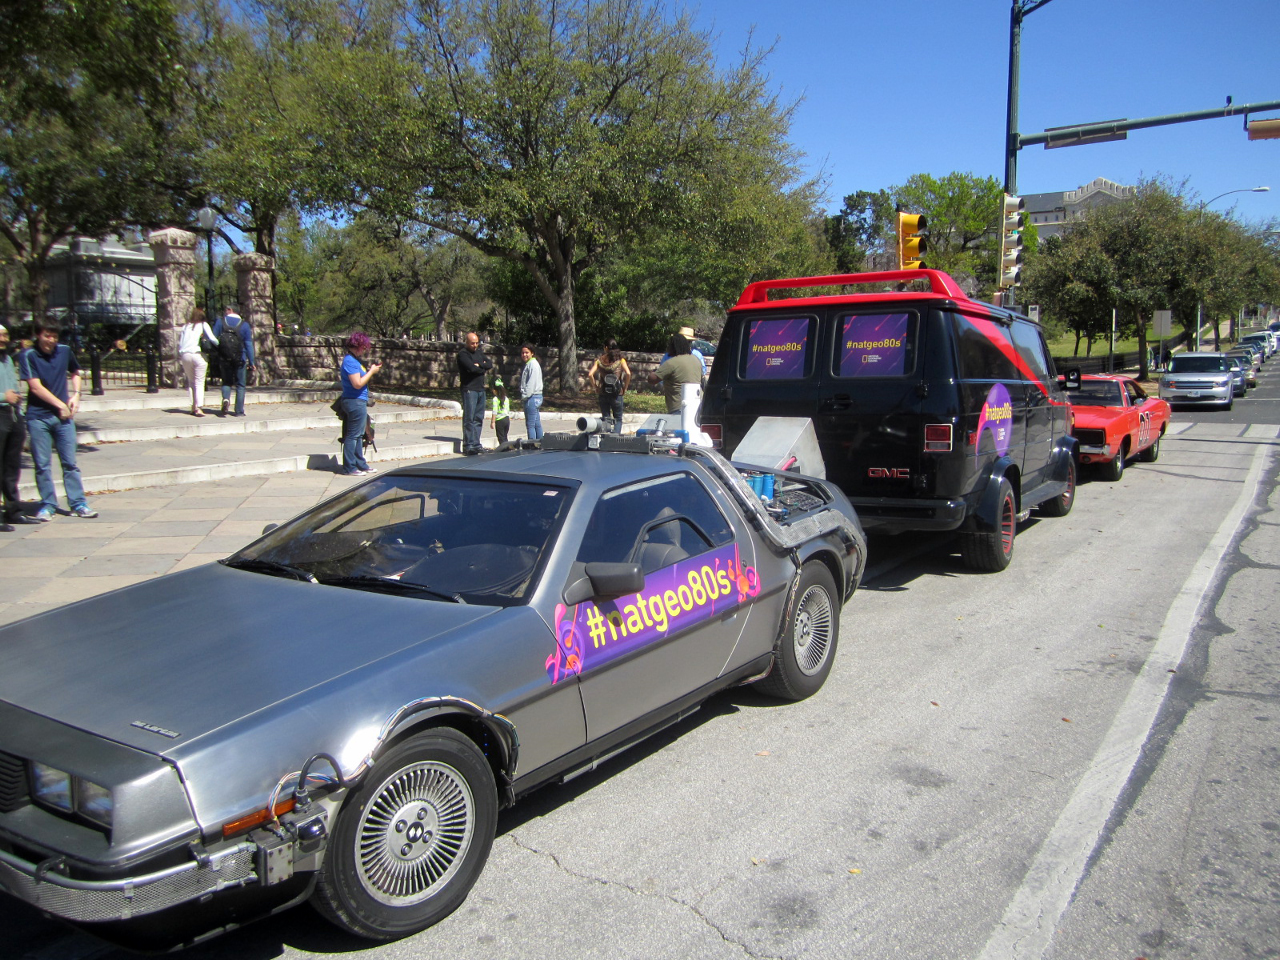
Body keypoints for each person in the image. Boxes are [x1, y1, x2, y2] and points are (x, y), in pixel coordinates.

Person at [18, 321, 97, 520]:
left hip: (63, 418)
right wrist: (59, 404)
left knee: (70, 463)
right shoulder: (28, 355)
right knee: (42, 464)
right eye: (47, 336)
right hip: (38, 417)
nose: (51, 341)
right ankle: (48, 504)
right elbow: (35, 387)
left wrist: (76, 395)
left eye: (54, 336)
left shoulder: (64, 351)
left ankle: (79, 503)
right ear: (38, 335)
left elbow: (75, 372)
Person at [338, 331, 382, 475]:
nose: (365, 350)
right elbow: (357, 384)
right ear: (358, 345)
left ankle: (360, 464)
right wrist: (371, 372)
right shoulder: (350, 361)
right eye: (364, 347)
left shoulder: (354, 360)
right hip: (354, 401)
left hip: (359, 401)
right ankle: (350, 466)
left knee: (359, 434)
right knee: (353, 435)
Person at [0, 325, 25, 530]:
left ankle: (13, 511)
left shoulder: (7, 359)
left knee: (11, 466)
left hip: (14, 415)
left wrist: (17, 399)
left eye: (5, 334)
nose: (3, 338)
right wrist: (3, 397)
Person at [213, 304, 255, 417]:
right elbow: (248, 344)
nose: (224, 312)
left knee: (226, 382)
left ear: (230, 310)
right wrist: (252, 361)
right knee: (240, 385)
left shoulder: (220, 322)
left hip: (224, 358)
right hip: (240, 358)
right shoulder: (244, 325)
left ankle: (226, 399)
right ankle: (239, 411)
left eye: (226, 309)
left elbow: (213, 339)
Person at [456, 331, 492, 455]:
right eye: (472, 343)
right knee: (469, 418)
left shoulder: (479, 353)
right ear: (466, 342)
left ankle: (476, 444)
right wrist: (481, 367)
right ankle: (468, 445)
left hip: (480, 389)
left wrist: (480, 365)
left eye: (477, 343)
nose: (475, 345)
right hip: (469, 389)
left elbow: (490, 364)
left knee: (478, 418)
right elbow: (471, 368)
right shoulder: (463, 354)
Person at [177, 306, 217, 417]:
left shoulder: (185, 327)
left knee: (191, 381)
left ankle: (193, 406)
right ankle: (199, 407)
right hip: (198, 354)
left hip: (185, 354)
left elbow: (180, 343)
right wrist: (220, 345)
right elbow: (213, 339)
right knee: (199, 381)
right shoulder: (204, 325)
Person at [649, 333, 702, 414]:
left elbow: (652, 380)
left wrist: (653, 372)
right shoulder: (696, 360)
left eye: (669, 345)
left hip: (679, 408)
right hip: (697, 407)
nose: (668, 348)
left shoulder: (671, 363)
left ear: (674, 347)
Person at [586, 339, 632, 434]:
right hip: (617, 393)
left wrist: (595, 387)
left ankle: (605, 438)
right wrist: (625, 387)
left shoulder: (599, 361)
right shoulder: (620, 360)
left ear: (606, 348)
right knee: (618, 418)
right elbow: (628, 373)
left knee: (606, 418)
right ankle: (614, 439)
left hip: (603, 392)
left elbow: (590, 374)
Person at [519, 343, 543, 440]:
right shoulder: (531, 364)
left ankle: (532, 446)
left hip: (532, 398)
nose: (524, 355)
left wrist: (525, 396)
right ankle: (541, 443)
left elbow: (531, 384)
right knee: (536, 423)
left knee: (530, 425)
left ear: (532, 353)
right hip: (535, 397)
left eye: (527, 352)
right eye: (522, 353)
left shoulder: (532, 365)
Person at [490, 376, 511, 444]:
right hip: (506, 419)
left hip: (499, 420)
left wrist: (493, 422)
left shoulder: (495, 399)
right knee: (505, 436)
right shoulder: (506, 398)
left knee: (501, 437)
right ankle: (507, 448)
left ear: (495, 390)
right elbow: (508, 410)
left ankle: (503, 450)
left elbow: (494, 411)